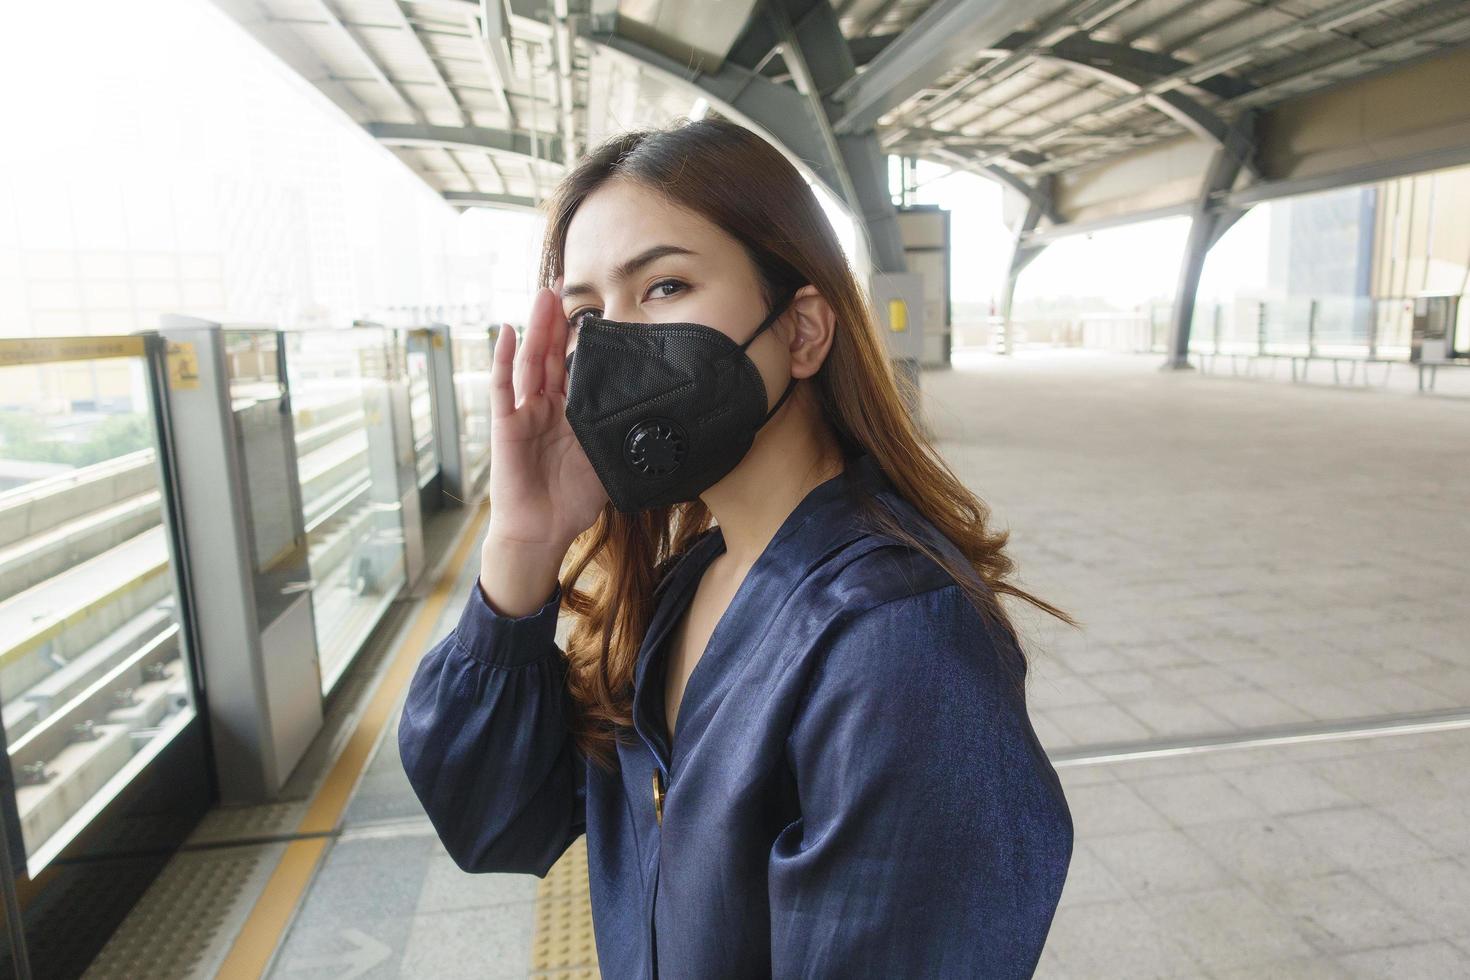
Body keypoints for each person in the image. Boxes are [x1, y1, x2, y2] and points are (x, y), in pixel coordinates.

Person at [397, 116, 1075, 979]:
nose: (616, 344)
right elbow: (495, 821)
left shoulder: (896, 641)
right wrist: (522, 546)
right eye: (585, 313)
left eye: (666, 286)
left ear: (801, 331)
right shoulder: (685, 583)